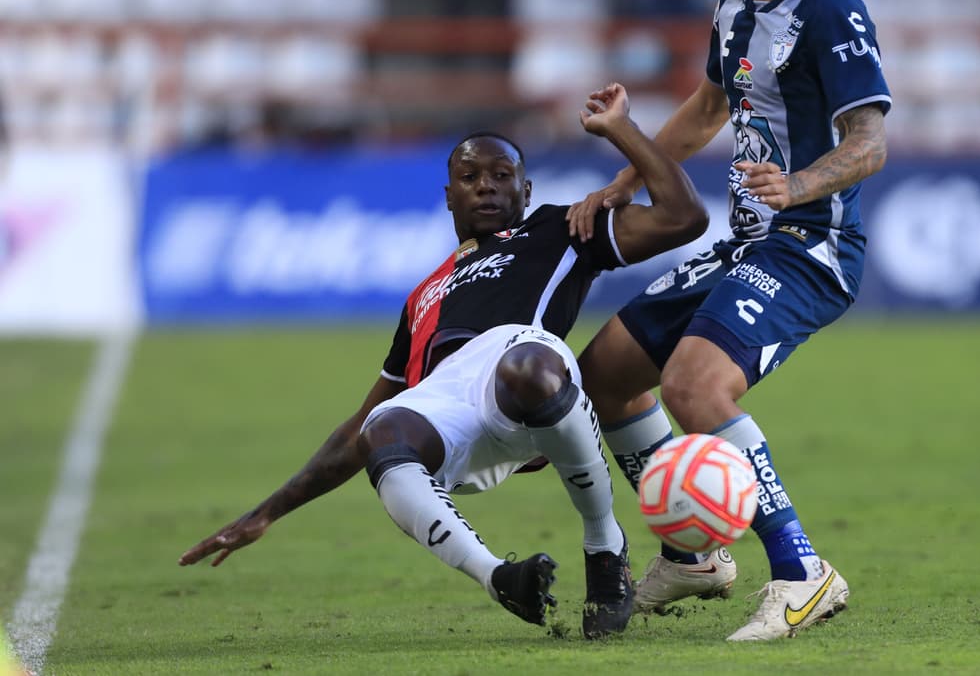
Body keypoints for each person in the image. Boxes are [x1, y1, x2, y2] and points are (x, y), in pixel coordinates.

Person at [179, 84, 709, 640]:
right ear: (448, 195)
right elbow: (357, 427)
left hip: (527, 379)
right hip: (453, 409)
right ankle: (500, 577)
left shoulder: (560, 228)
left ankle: (605, 545)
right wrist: (268, 511)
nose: (486, 185)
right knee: (381, 431)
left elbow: (684, 217)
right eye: (471, 176)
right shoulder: (422, 297)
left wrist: (622, 131)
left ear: (526, 191)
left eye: (502, 175)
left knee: (528, 362)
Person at [567, 0, 890, 642]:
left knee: (696, 389)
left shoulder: (832, 8)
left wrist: (803, 185)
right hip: (747, 242)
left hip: (812, 243)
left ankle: (802, 571)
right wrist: (622, 180)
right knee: (602, 375)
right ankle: (694, 551)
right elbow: (712, 104)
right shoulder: (735, 6)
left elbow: (871, 140)